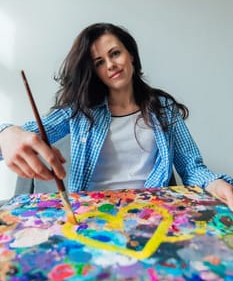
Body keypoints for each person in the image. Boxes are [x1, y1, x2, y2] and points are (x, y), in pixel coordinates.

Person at [0, 23, 233, 209]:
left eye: (115, 53)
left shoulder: (164, 108)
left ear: (130, 54)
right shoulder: (79, 111)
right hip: (91, 214)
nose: (110, 65)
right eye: (100, 62)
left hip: (150, 213)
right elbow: (26, 135)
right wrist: (6, 134)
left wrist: (215, 183)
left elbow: (191, 168)